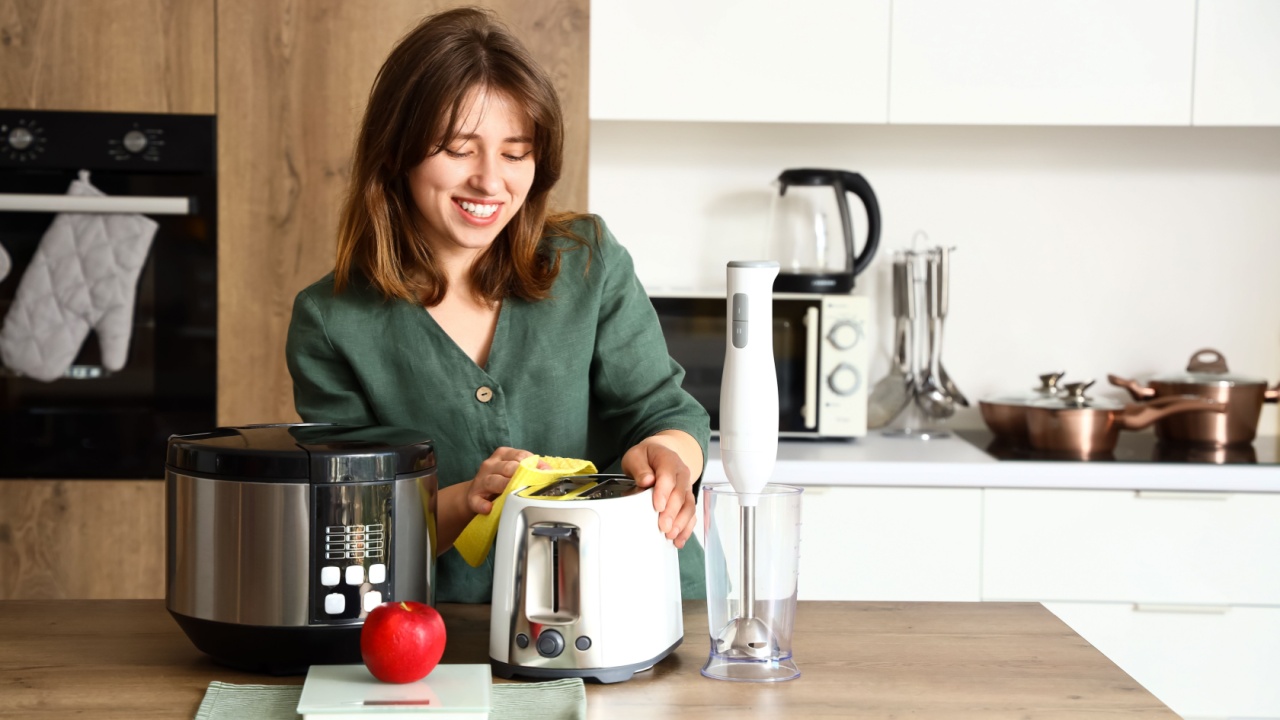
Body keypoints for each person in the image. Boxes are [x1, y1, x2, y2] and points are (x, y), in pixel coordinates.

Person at [285, 6, 709, 604]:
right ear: (396, 154)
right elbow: (354, 527)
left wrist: (669, 459)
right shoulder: (332, 322)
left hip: (638, 603)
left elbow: (664, 411)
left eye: (515, 154)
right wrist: (465, 499)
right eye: (460, 149)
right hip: (448, 633)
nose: (490, 182)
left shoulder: (588, 260)